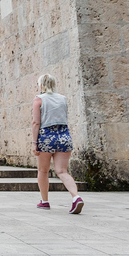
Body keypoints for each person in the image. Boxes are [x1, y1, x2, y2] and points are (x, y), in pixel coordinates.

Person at [32, 74, 84, 214]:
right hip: (63, 136)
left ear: (41, 85)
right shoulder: (63, 99)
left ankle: (45, 201)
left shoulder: (39, 99)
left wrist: (34, 142)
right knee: (62, 171)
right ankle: (76, 197)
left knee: (43, 171)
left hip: (46, 137)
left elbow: (36, 122)